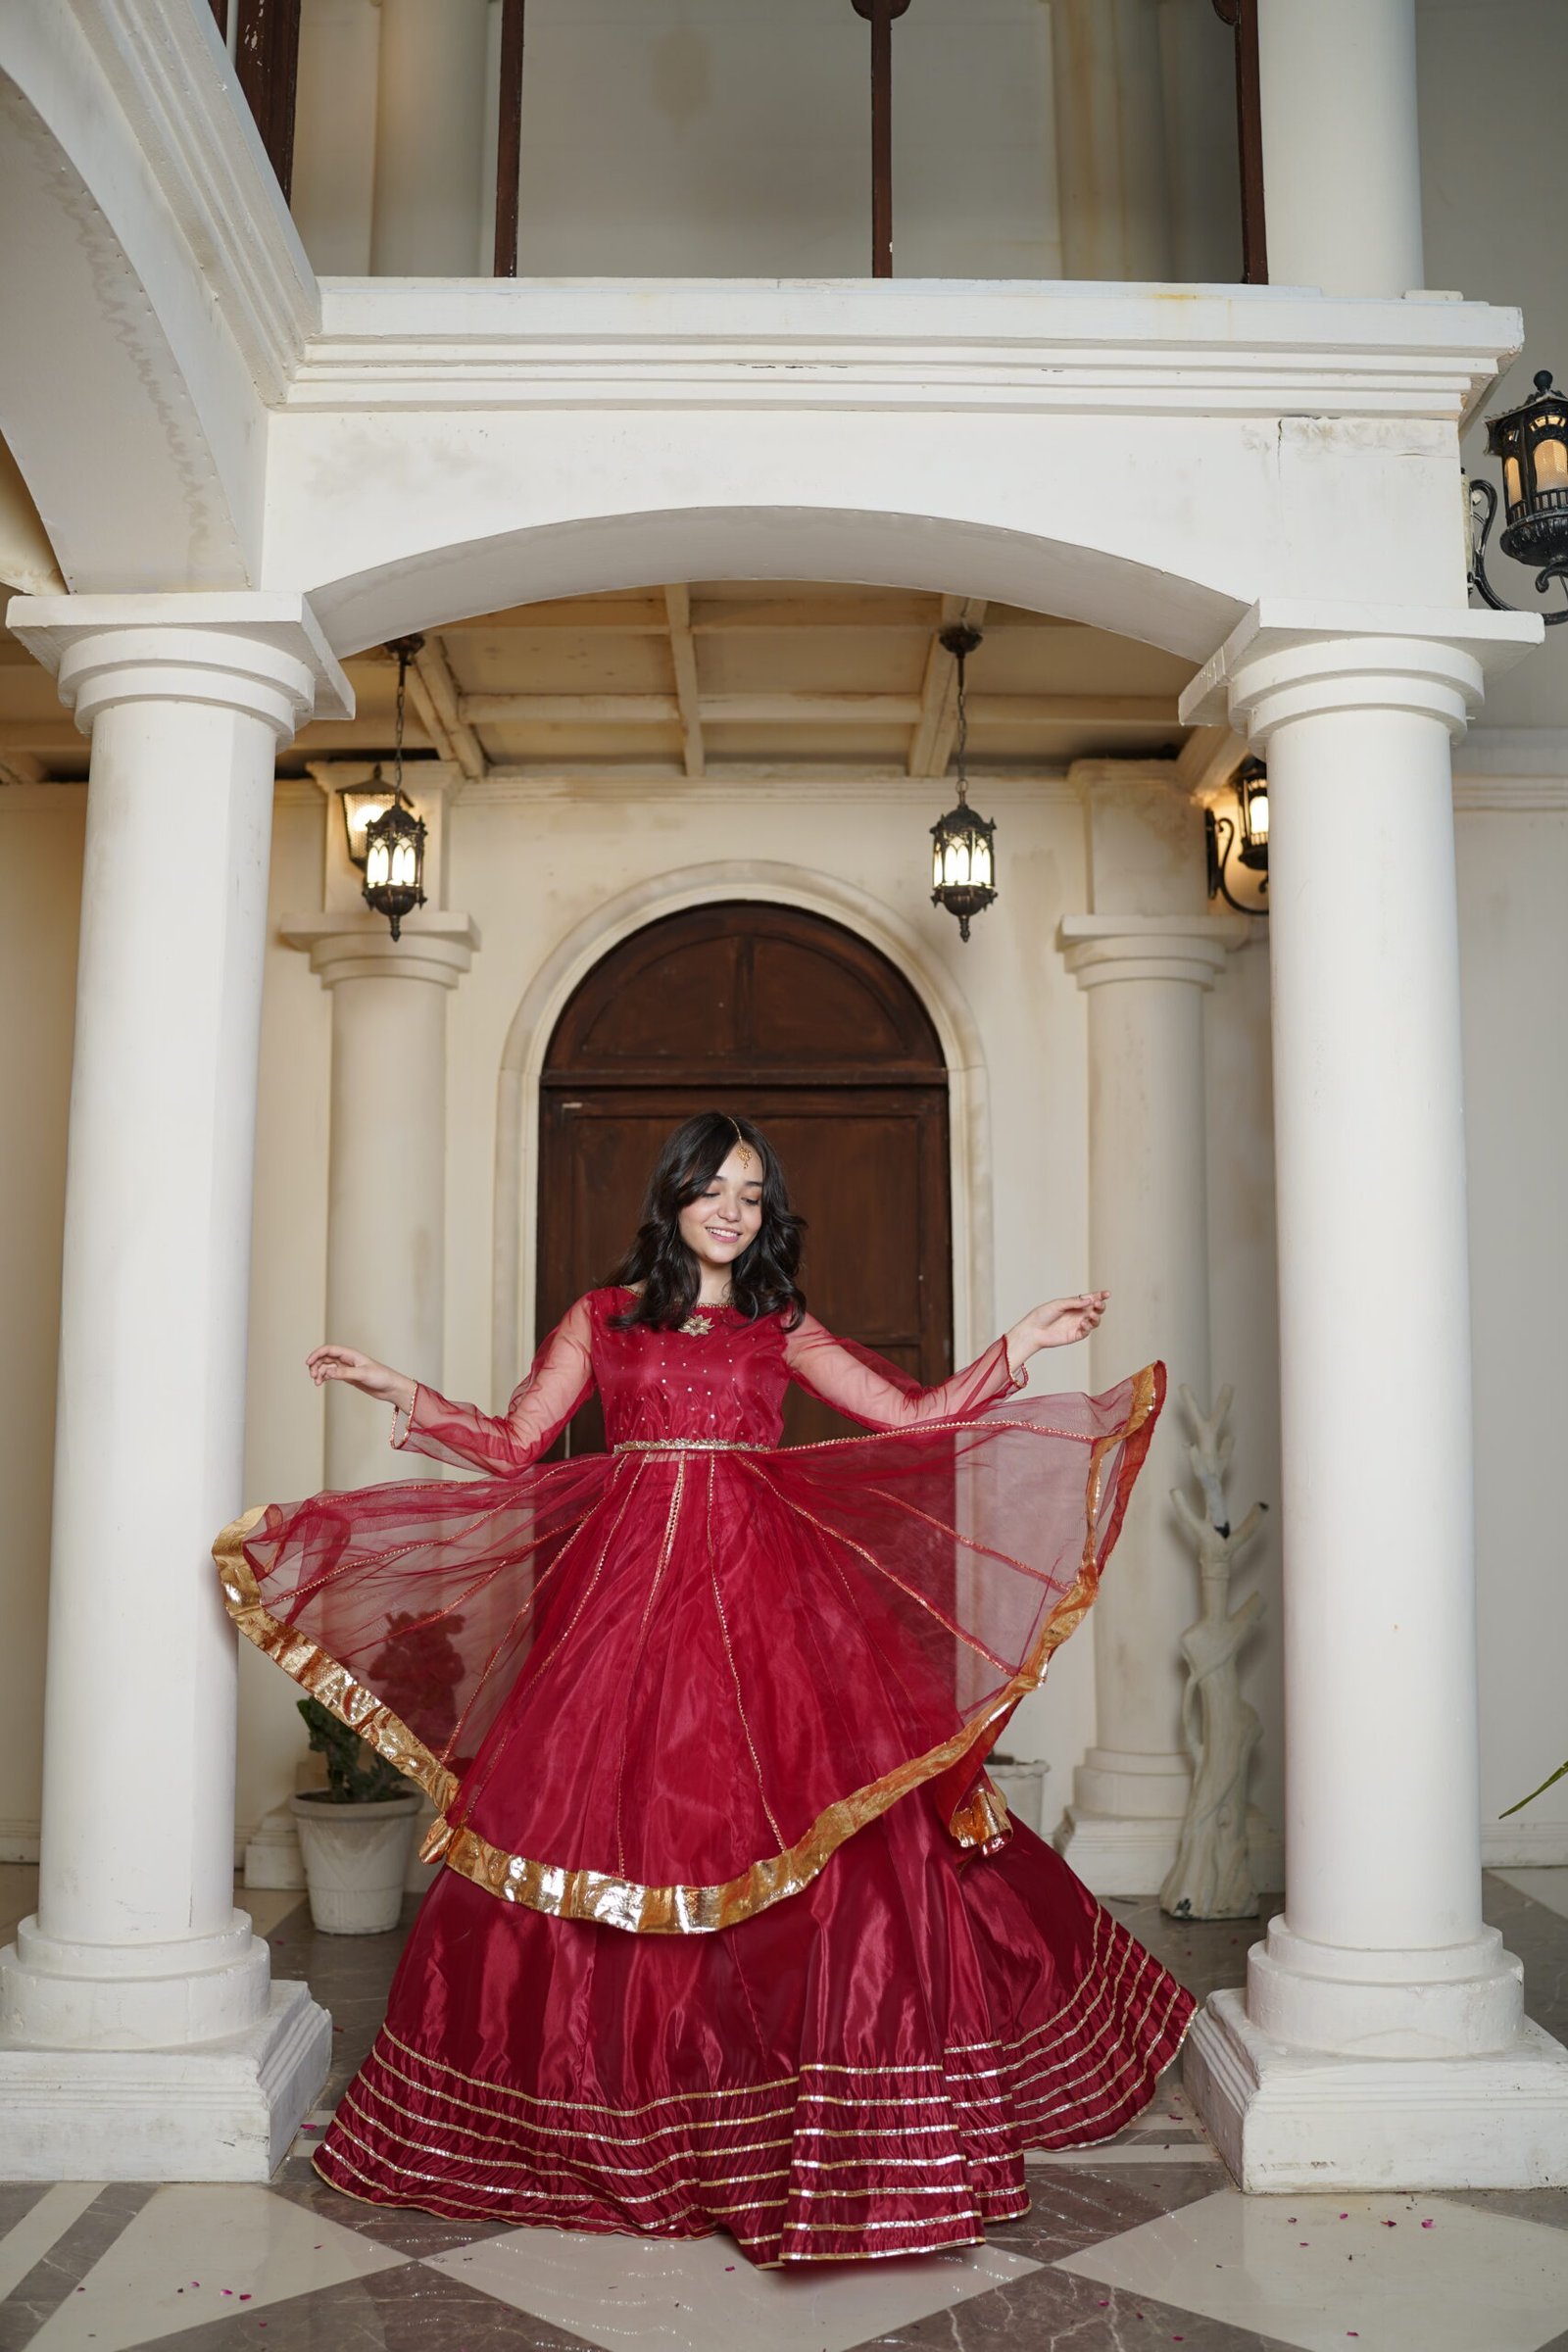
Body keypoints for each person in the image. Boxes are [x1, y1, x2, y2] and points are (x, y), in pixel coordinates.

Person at [217, 1110, 1192, 2265]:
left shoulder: (778, 1321)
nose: (732, 1210)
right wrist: (402, 1390)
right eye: (712, 1189)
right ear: (672, 1197)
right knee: (604, 1820)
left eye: (751, 1194)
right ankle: (613, 2111)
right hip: (626, 1602)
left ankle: (814, 2123)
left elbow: (911, 1417)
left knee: (814, 1832)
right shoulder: (602, 1316)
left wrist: (1016, 1344)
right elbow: (515, 1443)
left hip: (767, 1599)